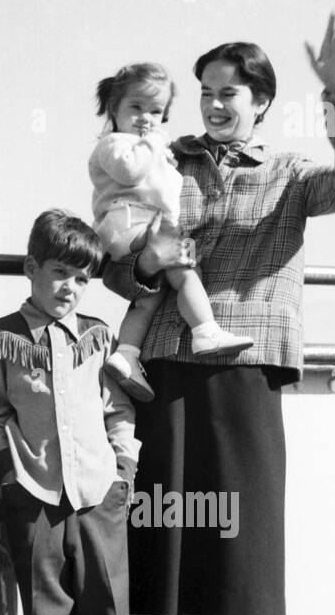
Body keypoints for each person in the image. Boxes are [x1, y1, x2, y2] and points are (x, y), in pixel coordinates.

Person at [103, 12, 335, 615]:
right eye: (205, 92)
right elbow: (118, 260)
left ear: (260, 99)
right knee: (188, 532)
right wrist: (147, 264)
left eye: (230, 91)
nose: (214, 104)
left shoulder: (286, 174)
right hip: (170, 365)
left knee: (250, 541)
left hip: (247, 367)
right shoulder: (167, 160)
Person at [0, 210, 144, 615]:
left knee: (107, 607)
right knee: (47, 614)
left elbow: (117, 408)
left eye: (81, 278)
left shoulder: (98, 336)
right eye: (58, 273)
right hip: (35, 493)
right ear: (31, 269)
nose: (69, 288)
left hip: (100, 492)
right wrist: (11, 481)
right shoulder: (3, 338)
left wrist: (123, 473)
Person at [90, 61, 252, 402]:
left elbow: (161, 186)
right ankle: (205, 330)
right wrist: (153, 147)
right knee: (186, 268)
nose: (145, 118)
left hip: (146, 224)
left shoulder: (153, 150)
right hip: (128, 221)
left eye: (155, 111)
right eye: (135, 107)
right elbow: (130, 170)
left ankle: (127, 352)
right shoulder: (114, 144)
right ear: (113, 108)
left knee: (150, 295)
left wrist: (162, 160)